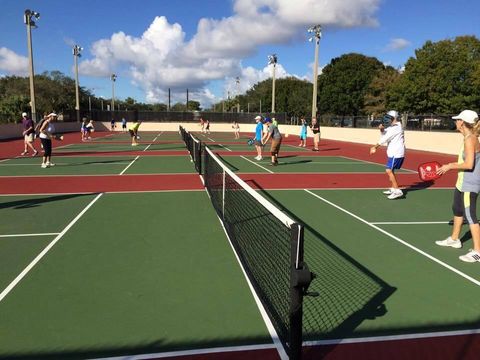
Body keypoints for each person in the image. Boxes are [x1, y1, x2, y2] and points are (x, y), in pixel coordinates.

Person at [435, 110, 480, 263]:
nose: (455, 122)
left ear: (462, 122)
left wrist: (449, 166)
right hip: (461, 182)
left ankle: (477, 252)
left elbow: (469, 164)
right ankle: (455, 239)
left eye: (457, 120)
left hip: (469, 184)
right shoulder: (468, 137)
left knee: (471, 216)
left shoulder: (470, 139)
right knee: (457, 210)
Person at [369, 110, 405, 200]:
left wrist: (375, 147)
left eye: (389, 117)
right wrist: (381, 129)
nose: (387, 119)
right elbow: (384, 134)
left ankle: (397, 191)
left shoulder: (396, 127)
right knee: (391, 170)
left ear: (394, 118)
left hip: (396, 153)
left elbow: (385, 138)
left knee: (388, 170)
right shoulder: (392, 127)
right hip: (393, 152)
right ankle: (393, 188)